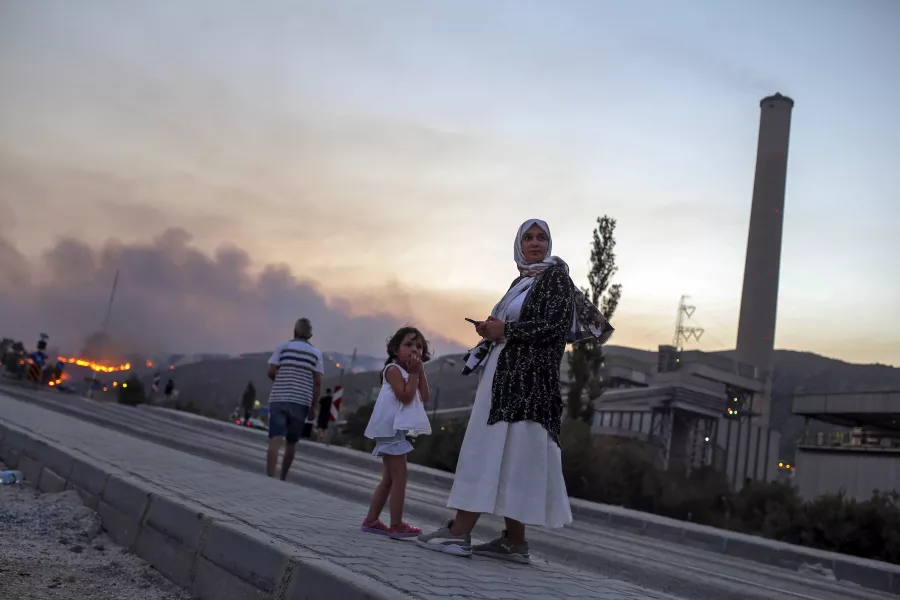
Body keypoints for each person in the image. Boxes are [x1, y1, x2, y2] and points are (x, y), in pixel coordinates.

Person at [417, 219, 614, 563]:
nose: (535, 243)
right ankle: (514, 542)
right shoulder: (523, 280)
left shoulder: (554, 277)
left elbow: (553, 328)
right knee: (513, 455)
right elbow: (519, 326)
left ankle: (458, 532)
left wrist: (504, 328)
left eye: (542, 237)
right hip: (508, 378)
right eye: (528, 237)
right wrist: (493, 329)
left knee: (488, 450)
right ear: (518, 244)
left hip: (524, 384)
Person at [360, 327, 432, 539]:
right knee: (401, 477)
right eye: (408, 345)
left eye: (419, 346)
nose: (414, 350)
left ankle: (371, 520)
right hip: (390, 429)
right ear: (395, 348)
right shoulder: (393, 370)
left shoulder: (411, 371)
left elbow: (424, 396)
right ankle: (396, 524)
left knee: (390, 479)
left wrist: (420, 371)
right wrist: (413, 373)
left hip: (394, 429)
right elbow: (406, 397)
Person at [265, 318, 324, 480]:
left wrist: (283, 382)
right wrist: (314, 407)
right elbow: (317, 383)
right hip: (301, 401)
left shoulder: (282, 347)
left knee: (275, 437)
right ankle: (282, 478)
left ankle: (270, 477)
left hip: (279, 398)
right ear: (310, 335)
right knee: (291, 441)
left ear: (294, 331)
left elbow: (271, 371)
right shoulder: (316, 354)